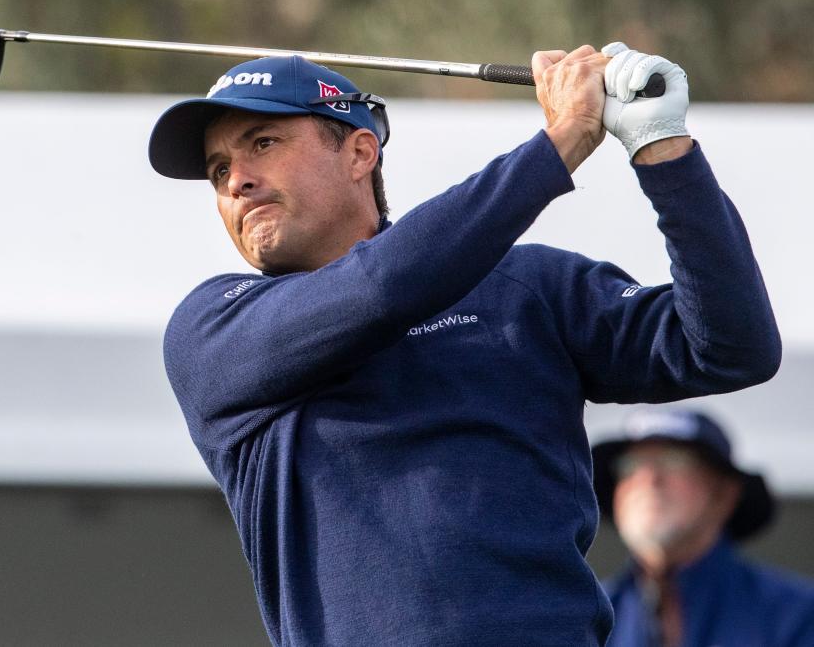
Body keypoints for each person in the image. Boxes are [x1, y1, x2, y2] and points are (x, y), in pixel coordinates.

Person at [147, 42, 781, 646]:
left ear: (360, 152)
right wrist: (561, 143)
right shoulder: (214, 329)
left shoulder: (524, 287)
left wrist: (662, 148)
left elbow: (732, 345)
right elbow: (383, 286)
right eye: (219, 169)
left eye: (263, 143)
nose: (237, 181)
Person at [593, 409, 814, 646]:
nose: (648, 478)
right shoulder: (584, 618)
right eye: (630, 465)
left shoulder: (796, 614)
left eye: (673, 460)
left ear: (724, 494)